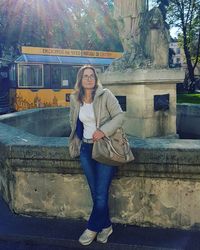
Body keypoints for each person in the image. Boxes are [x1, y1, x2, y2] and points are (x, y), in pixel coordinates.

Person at [69, 65, 124, 245]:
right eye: (85, 76)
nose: (89, 79)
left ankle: (92, 227)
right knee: (95, 193)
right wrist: (75, 142)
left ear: (95, 78)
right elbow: (73, 123)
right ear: (80, 79)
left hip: (104, 148)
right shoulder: (75, 99)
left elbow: (119, 117)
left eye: (92, 75)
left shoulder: (105, 95)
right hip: (86, 149)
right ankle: (106, 226)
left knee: (100, 194)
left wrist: (103, 131)